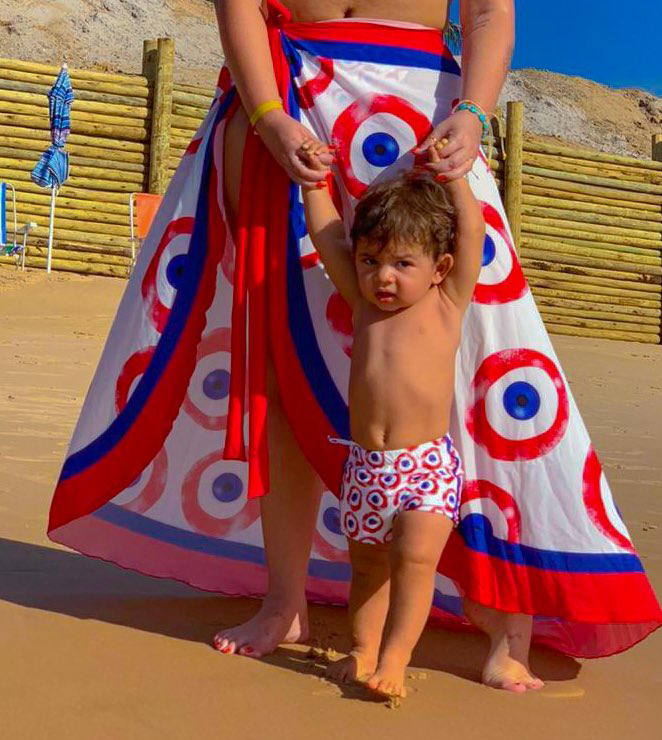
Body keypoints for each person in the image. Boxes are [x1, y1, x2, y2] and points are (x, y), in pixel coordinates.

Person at [48, 0, 662, 689]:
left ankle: (506, 619)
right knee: (284, 358)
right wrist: (267, 114)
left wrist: (474, 113)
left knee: (482, 358)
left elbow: (488, 9)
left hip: (421, 118)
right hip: (285, 111)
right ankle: (285, 601)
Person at [297, 139, 487, 697]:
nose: (384, 277)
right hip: (364, 469)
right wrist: (313, 185)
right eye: (372, 261)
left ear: (439, 268)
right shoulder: (361, 305)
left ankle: (396, 659)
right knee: (367, 569)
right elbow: (330, 235)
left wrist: (454, 176)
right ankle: (362, 649)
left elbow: (470, 232)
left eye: (403, 264)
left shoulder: (447, 303)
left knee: (415, 558)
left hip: (425, 466)